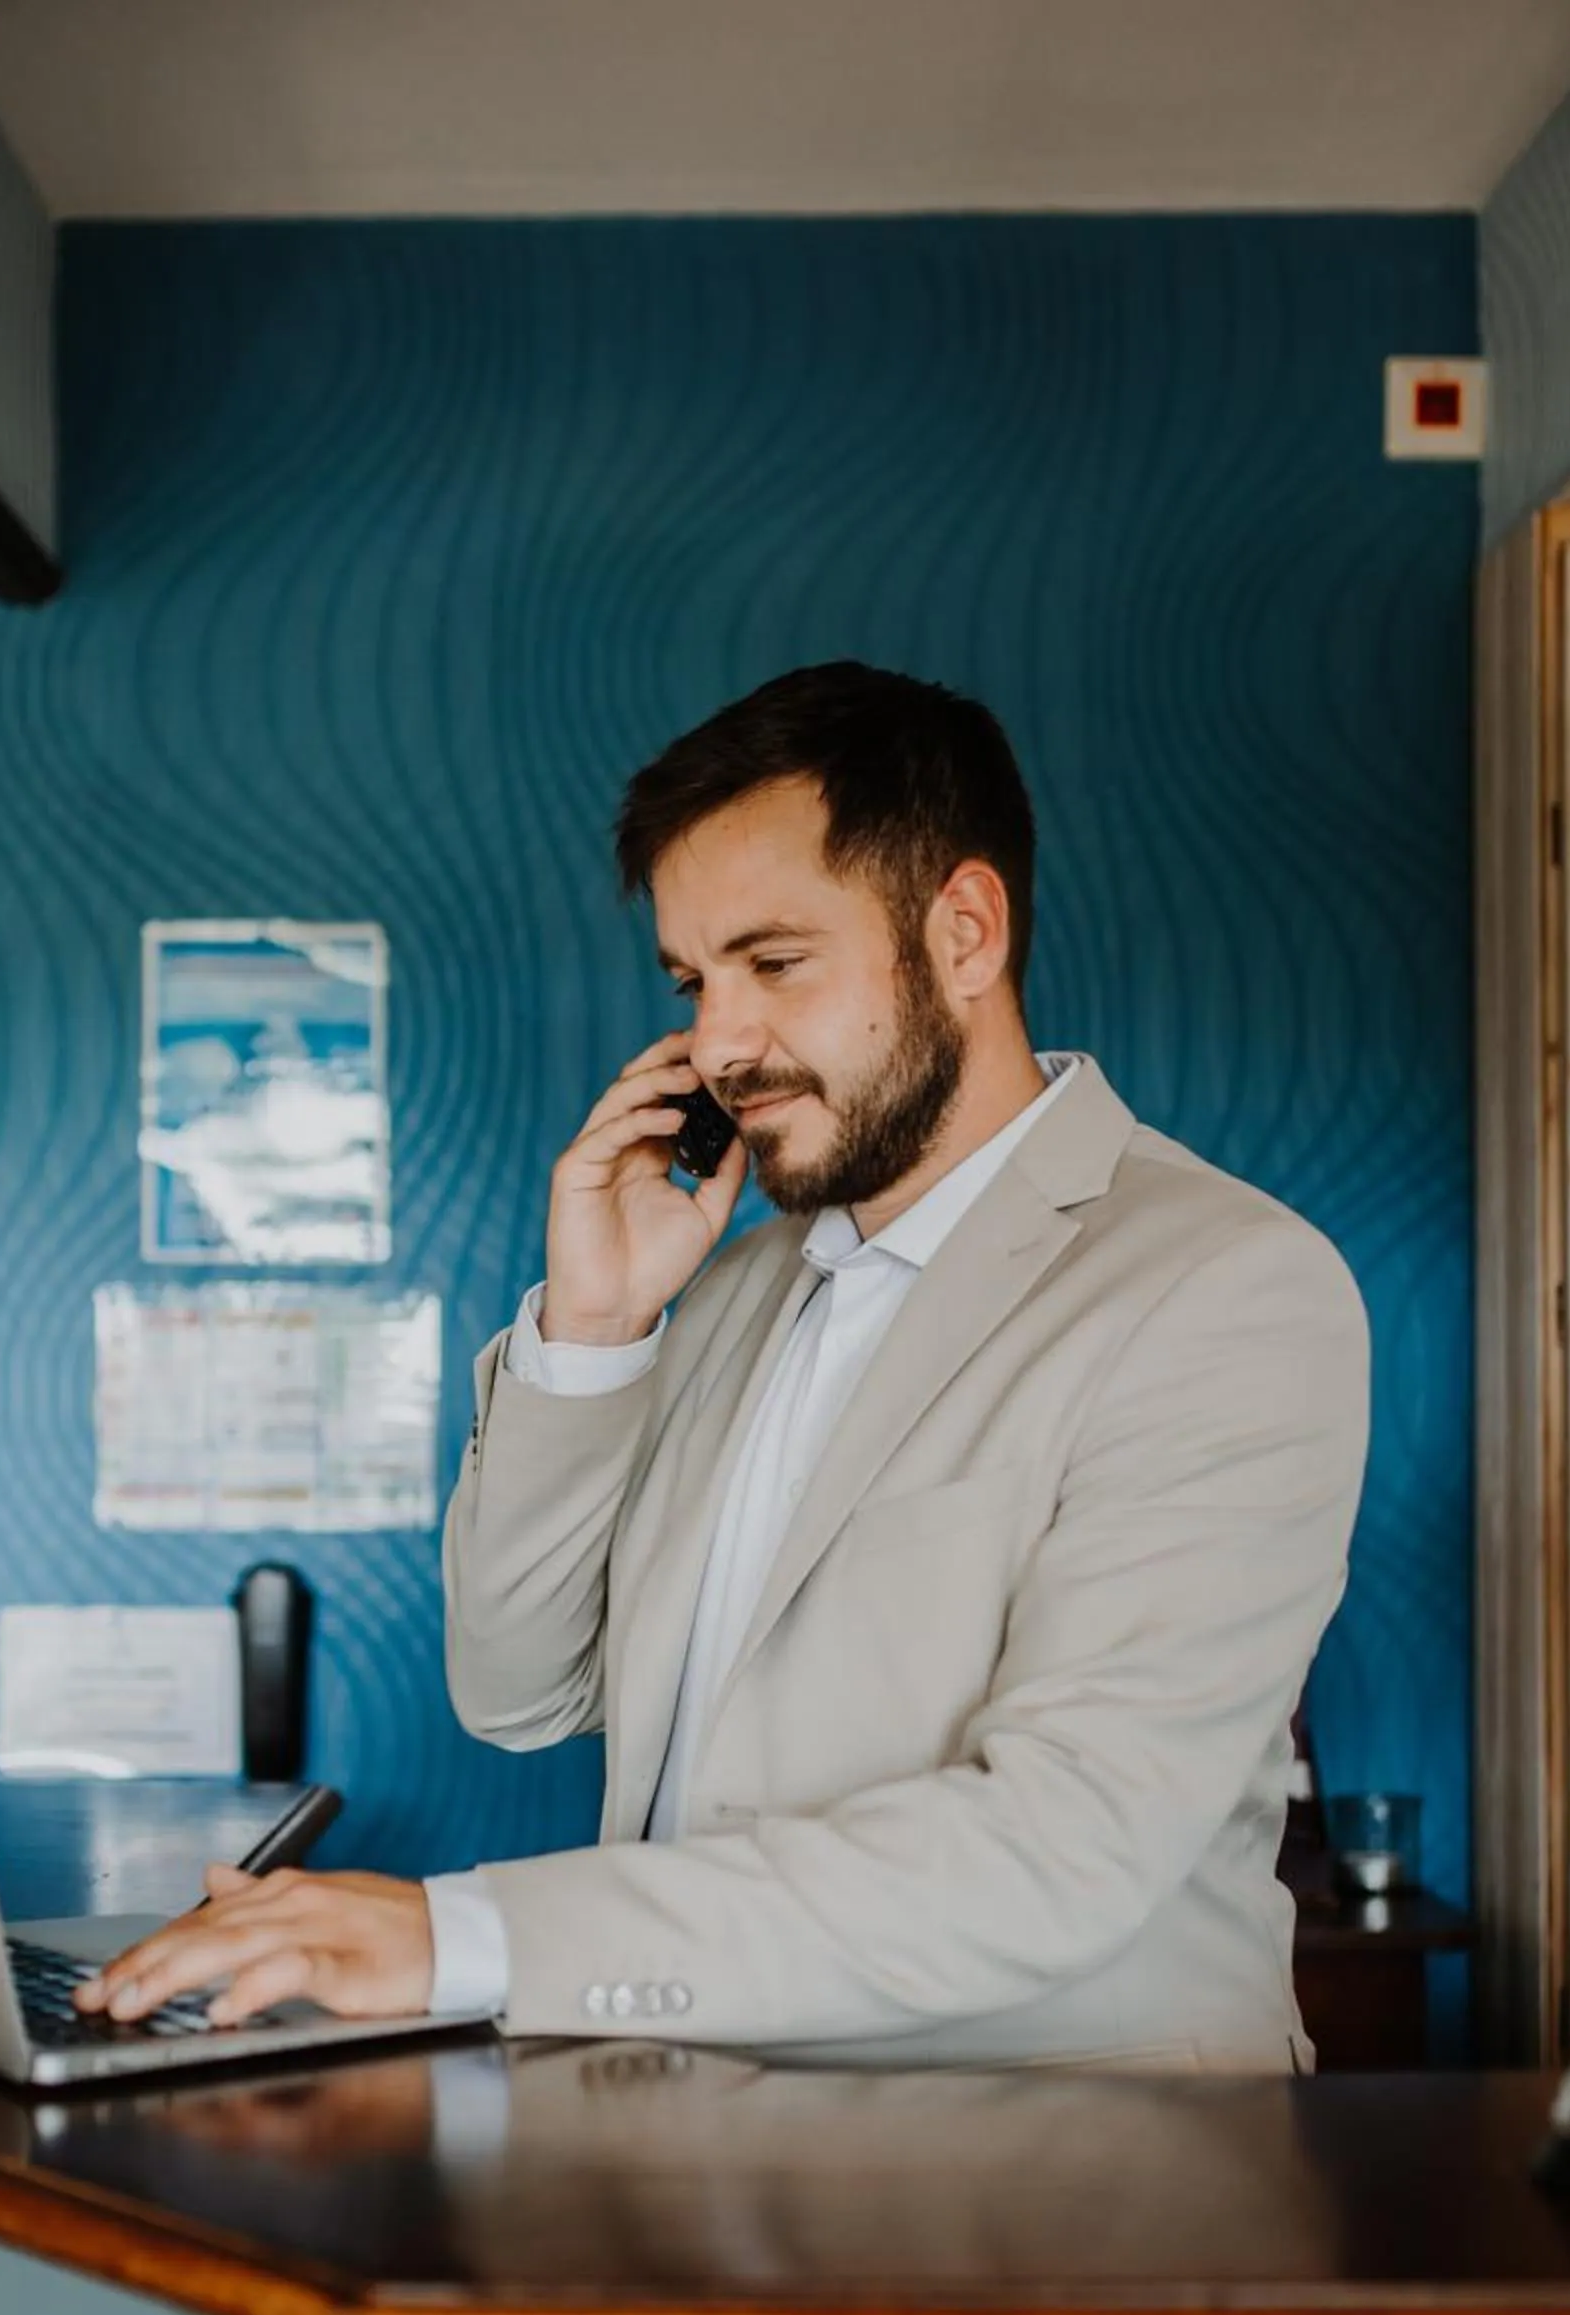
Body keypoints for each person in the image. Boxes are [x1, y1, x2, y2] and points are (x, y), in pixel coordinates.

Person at [89, 662, 1369, 2066]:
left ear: (961, 932)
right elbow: (515, 1694)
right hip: (686, 2153)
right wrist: (593, 1330)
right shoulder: (722, 1294)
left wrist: (464, 1941)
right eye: (694, 982)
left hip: (1051, 2211)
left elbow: (1060, 1845)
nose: (717, 1045)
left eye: (773, 964)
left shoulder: (1224, 1288)